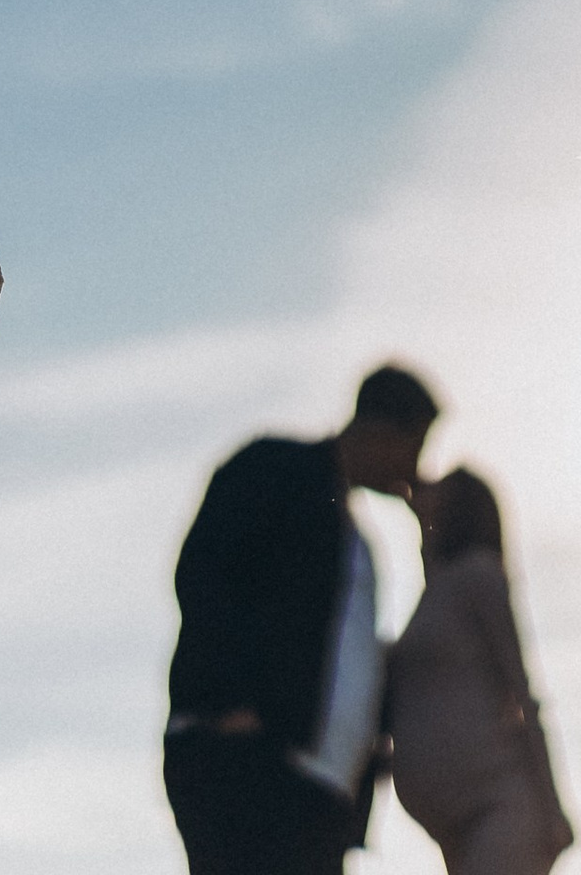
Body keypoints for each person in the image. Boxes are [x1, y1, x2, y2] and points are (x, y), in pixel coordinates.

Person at [163, 365, 440, 875]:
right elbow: (206, 570)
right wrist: (229, 703)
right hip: (249, 765)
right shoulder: (276, 468)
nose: (416, 469)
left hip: (321, 796)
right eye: (416, 447)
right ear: (384, 433)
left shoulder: (355, 535)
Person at [385, 469, 574, 875]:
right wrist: (420, 522)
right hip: (459, 824)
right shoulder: (437, 592)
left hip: (501, 808)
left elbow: (521, 690)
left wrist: (553, 809)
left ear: (460, 508)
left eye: (440, 492)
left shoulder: (480, 575)